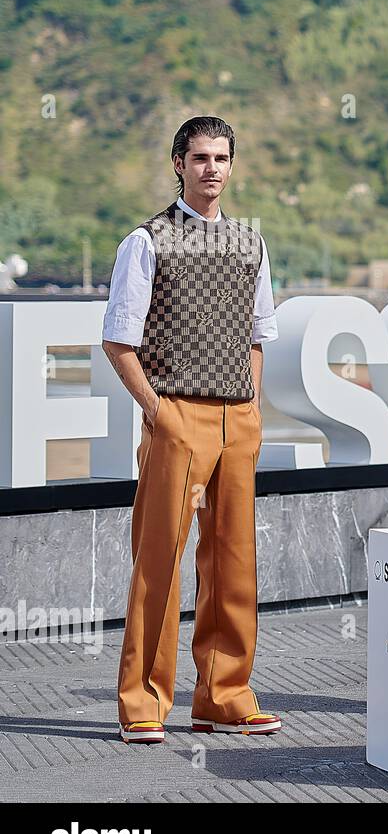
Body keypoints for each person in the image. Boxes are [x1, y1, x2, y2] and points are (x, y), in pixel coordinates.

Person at [102, 116, 282, 744]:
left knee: (234, 560)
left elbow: (259, 335)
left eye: (222, 158)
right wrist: (159, 412)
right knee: (160, 561)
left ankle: (225, 694)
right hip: (177, 413)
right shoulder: (147, 240)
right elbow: (119, 341)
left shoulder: (250, 242)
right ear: (178, 163)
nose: (212, 168)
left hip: (239, 418)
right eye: (200, 157)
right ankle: (143, 701)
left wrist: (252, 405)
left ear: (233, 165)